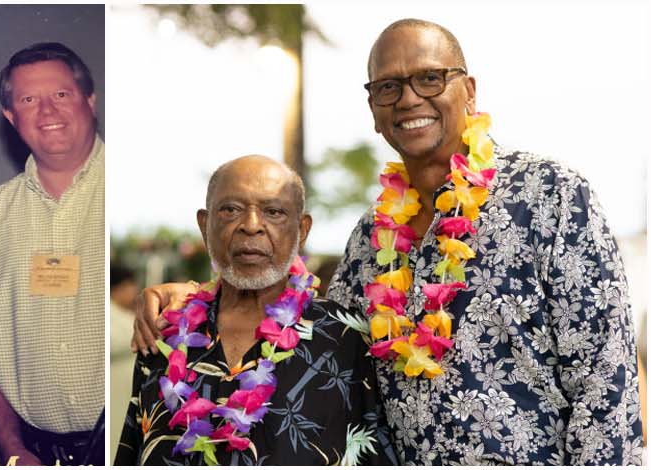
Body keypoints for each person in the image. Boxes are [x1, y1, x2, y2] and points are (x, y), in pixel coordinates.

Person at [129, 19, 643, 465]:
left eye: (430, 78)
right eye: (389, 87)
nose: (409, 98)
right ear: (374, 110)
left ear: (469, 91)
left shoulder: (550, 196)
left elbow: (606, 383)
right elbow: (311, 330)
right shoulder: (370, 238)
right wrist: (194, 297)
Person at [114, 156, 393, 465]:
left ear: (302, 230)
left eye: (273, 212)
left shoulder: (344, 337)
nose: (251, 226)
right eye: (231, 210)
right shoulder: (164, 333)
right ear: (205, 224)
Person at [0, 42, 105, 466]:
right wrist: (11, 447)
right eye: (28, 99)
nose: (47, 111)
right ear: (11, 117)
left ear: (89, 101)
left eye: (61, 94)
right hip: (32, 452)